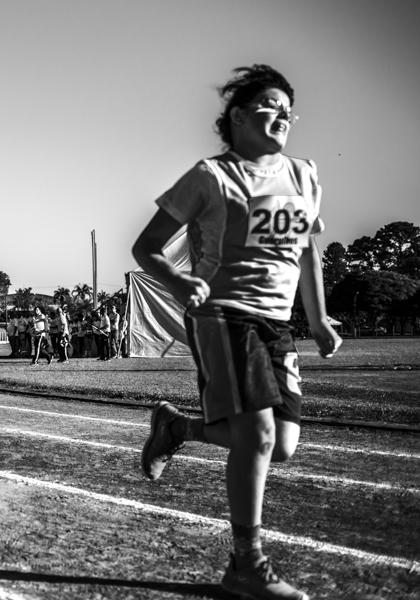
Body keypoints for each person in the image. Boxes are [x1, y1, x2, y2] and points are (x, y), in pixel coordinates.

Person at [133, 65, 341, 600]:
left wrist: (316, 319)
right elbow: (146, 247)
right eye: (270, 106)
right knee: (260, 436)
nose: (283, 117)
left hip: (275, 323)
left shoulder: (304, 174)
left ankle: (177, 429)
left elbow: (308, 249)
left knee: (283, 446)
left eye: (288, 109)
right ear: (239, 117)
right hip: (222, 313)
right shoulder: (211, 176)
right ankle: (246, 565)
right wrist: (180, 282)